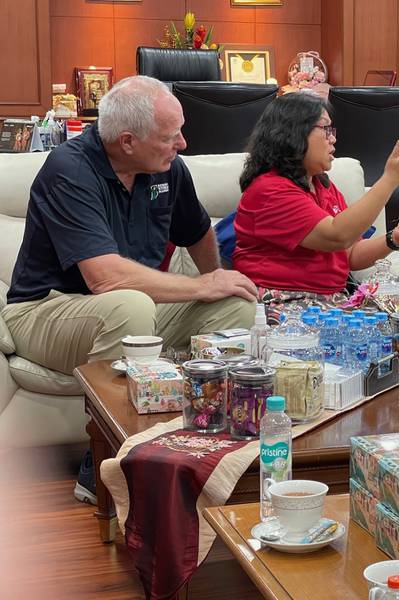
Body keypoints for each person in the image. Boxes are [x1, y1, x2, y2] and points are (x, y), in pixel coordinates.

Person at [2, 75, 258, 503]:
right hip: (43, 312)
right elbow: (104, 278)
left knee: (234, 304)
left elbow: (197, 232)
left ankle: (200, 437)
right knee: (130, 308)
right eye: (170, 135)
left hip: (130, 308)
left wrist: (216, 280)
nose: (183, 143)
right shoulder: (70, 170)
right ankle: (102, 464)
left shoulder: (168, 170)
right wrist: (199, 284)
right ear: (127, 141)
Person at [233, 92, 399, 312]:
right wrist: (389, 180)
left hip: (328, 301)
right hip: (282, 301)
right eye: (325, 129)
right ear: (293, 133)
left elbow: (351, 255)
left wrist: (395, 238)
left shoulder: (323, 186)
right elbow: (336, 236)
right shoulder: (270, 189)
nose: (333, 139)